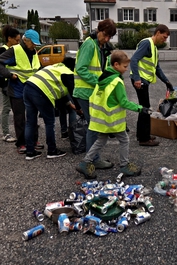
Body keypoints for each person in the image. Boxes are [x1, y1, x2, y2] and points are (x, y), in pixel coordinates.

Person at [76, 51, 149, 179]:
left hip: (101, 118)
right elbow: (123, 102)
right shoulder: (117, 81)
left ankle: (85, 162)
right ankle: (124, 165)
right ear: (116, 64)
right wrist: (140, 108)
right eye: (125, 67)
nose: (126, 70)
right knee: (124, 139)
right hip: (112, 119)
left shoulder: (103, 77)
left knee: (101, 140)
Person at [72, 18, 116, 169]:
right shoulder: (89, 45)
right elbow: (81, 69)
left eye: (110, 37)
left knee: (94, 125)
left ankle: (92, 158)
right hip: (85, 92)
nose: (107, 39)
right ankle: (92, 160)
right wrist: (98, 82)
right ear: (99, 30)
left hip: (90, 91)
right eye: (106, 35)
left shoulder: (98, 46)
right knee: (94, 126)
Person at [0, 29, 43, 154]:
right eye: (33, 43)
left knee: (32, 116)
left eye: (36, 43)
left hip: (31, 88)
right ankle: (21, 143)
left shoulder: (34, 51)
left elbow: (36, 68)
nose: (34, 46)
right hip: (17, 89)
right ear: (25, 40)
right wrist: (9, 75)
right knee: (19, 117)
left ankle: (33, 140)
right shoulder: (15, 51)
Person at [23, 58, 76, 160]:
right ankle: (52, 151)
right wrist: (78, 107)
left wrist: (69, 104)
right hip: (41, 93)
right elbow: (73, 93)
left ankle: (30, 152)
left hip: (28, 87)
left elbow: (62, 91)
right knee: (49, 122)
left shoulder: (55, 67)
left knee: (30, 122)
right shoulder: (68, 72)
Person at [130, 24, 174, 147]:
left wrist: (167, 82)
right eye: (164, 37)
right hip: (140, 80)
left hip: (143, 80)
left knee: (143, 108)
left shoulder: (154, 48)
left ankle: (142, 135)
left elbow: (157, 69)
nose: (164, 40)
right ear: (158, 32)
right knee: (145, 108)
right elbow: (134, 60)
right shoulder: (147, 43)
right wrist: (137, 79)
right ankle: (144, 139)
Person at [0, 25, 20, 143]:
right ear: (10, 38)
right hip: (6, 83)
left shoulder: (14, 50)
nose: (18, 42)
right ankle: (5, 133)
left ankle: (19, 128)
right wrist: (3, 82)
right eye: (17, 40)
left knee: (16, 108)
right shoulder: (3, 50)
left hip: (14, 83)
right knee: (6, 108)